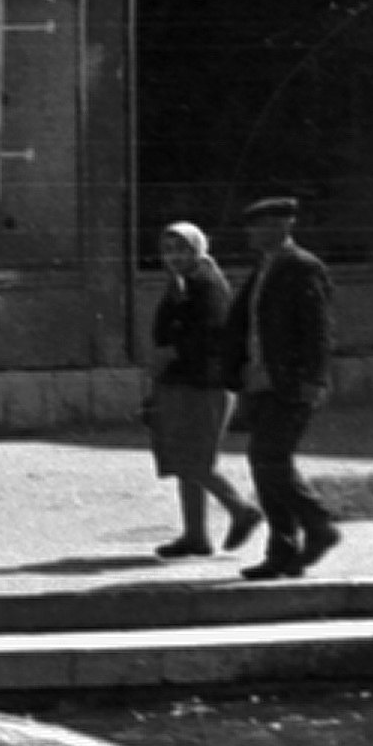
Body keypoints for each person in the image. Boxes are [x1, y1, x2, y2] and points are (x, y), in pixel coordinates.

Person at [226, 189, 342, 581]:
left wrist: (314, 378)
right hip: (260, 381)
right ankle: (283, 549)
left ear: (281, 226)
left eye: (259, 227)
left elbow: (318, 329)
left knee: (270, 459)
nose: (251, 234)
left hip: (290, 382)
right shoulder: (265, 268)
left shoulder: (301, 267)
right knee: (265, 465)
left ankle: (318, 525)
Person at [142, 219, 260, 559]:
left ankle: (241, 510)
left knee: (193, 460)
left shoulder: (208, 285)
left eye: (182, 249)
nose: (174, 256)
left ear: (198, 249)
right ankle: (195, 536)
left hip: (203, 384)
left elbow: (211, 335)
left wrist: (172, 351)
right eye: (168, 250)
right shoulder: (182, 284)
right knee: (184, 461)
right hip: (180, 383)